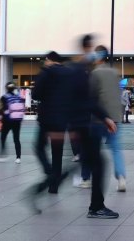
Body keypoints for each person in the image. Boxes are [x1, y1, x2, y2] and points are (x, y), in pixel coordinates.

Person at [83, 46, 127, 192]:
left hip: (99, 118)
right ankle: (121, 178)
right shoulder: (115, 73)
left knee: (93, 149)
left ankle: (87, 178)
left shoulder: (95, 73)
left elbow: (91, 97)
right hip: (115, 118)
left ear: (98, 56)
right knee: (115, 149)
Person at [33, 51, 73, 195]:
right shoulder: (69, 74)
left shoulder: (46, 72)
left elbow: (35, 94)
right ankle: (54, 186)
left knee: (38, 147)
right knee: (58, 152)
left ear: (49, 60)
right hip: (62, 120)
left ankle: (50, 173)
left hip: (46, 119)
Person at [0, 82, 24, 163]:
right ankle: (18, 158)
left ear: (6, 88)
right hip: (17, 121)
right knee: (16, 139)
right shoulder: (19, 97)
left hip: (7, 121)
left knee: (3, 137)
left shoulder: (4, 97)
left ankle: (2, 156)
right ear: (14, 88)